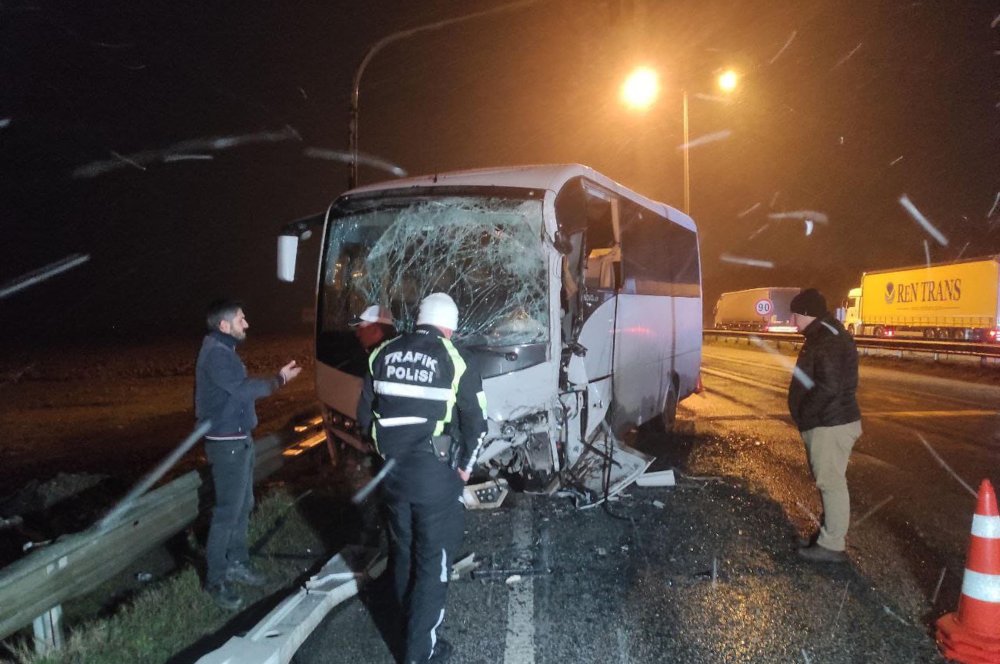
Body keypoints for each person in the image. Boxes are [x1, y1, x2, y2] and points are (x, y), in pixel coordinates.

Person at [357, 292, 487, 664]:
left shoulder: (382, 353)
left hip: (392, 477)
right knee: (433, 563)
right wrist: (464, 468)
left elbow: (365, 416)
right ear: (451, 324)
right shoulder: (457, 358)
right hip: (435, 480)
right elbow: (476, 423)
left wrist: (383, 455)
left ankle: (406, 631)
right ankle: (420, 652)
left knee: (404, 554)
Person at [195, 298, 302, 609]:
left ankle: (237, 561)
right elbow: (243, 390)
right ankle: (216, 579)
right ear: (224, 325)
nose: (247, 324)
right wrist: (279, 379)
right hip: (226, 443)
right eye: (242, 319)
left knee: (243, 505)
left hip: (237, 438)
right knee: (228, 511)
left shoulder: (223, 350)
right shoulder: (217, 354)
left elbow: (240, 390)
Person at [787, 288, 863, 564]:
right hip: (829, 421)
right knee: (829, 481)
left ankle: (832, 546)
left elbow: (829, 387)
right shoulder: (823, 334)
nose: (792, 322)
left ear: (806, 314)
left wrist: (806, 413)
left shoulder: (828, 339)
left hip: (830, 423)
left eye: (794, 316)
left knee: (831, 483)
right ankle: (827, 535)